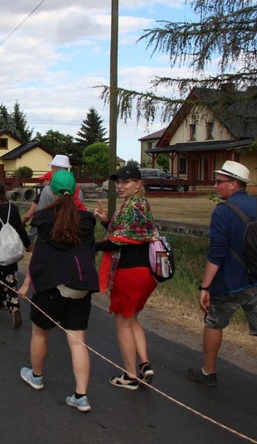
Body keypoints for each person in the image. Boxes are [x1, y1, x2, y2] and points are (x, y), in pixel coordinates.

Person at [186, 160, 257, 413]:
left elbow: (216, 253)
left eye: (220, 182)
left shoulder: (223, 211)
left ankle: (208, 372)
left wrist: (205, 286)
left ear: (234, 184)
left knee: (214, 322)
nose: (215, 185)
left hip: (232, 282)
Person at [18, 170, 99, 412]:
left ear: (50, 190)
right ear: (76, 191)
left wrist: (26, 284)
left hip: (52, 284)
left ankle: (37, 375)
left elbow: (40, 255)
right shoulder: (86, 220)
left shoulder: (43, 219)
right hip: (81, 286)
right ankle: (81, 396)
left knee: (40, 332)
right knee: (78, 342)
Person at [94, 165, 159, 390]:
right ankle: (145, 364)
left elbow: (117, 241)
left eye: (126, 182)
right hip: (145, 272)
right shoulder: (138, 205)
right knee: (132, 318)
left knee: (122, 321)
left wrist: (89, 246)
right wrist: (105, 221)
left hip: (129, 272)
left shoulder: (133, 206)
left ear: (138, 184)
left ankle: (131, 376)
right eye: (118, 182)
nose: (120, 186)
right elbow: (125, 234)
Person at [0, 179, 31, 327]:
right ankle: (14, 307)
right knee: (10, 283)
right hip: (10, 253)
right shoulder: (13, 208)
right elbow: (20, 229)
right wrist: (28, 244)